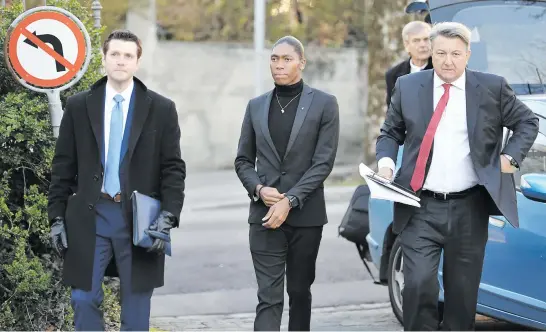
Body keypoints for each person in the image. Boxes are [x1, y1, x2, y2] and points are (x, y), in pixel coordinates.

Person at [376, 22, 538, 331]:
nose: (448, 61)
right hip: (418, 205)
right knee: (419, 285)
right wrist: (385, 164)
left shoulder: (492, 88)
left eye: (455, 53)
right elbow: (389, 133)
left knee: (462, 296)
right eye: (440, 53)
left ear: (467, 55)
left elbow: (527, 122)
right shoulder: (408, 87)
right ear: (431, 54)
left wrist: (509, 159)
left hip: (470, 208)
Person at [48, 29, 186, 331]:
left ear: (137, 62)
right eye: (115, 55)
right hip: (90, 216)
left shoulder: (161, 109)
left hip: (139, 220)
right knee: (83, 299)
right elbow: (62, 167)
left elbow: (173, 168)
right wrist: (56, 217)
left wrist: (169, 215)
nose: (121, 61)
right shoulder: (79, 105)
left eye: (128, 56)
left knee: (136, 311)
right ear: (104, 58)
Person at [234, 36, 339, 331]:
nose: (279, 65)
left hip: (306, 217)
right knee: (268, 296)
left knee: (299, 292)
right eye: (274, 59)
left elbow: (323, 163)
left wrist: (289, 200)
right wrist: (258, 189)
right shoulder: (256, 106)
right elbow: (243, 160)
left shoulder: (325, 104)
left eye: (286, 59)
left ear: (301, 63)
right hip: (264, 216)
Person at [385, 21, 433, 106]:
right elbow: (392, 111)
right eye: (416, 40)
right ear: (406, 45)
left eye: (426, 39)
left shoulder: (441, 70)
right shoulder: (393, 75)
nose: (423, 44)